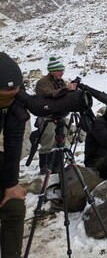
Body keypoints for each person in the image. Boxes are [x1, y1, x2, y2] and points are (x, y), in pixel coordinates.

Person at [0, 52, 27, 258]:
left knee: (14, 205)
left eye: (17, 88)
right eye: (7, 91)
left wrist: (11, 184)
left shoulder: (16, 95)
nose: (14, 93)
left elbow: (14, 139)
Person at [35, 56, 77, 174]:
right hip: (47, 116)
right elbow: (48, 94)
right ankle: (44, 169)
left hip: (60, 116)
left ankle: (57, 168)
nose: (62, 73)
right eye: (59, 71)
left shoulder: (61, 82)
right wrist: (65, 89)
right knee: (48, 142)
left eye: (62, 71)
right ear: (52, 70)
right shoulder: (42, 83)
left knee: (61, 142)